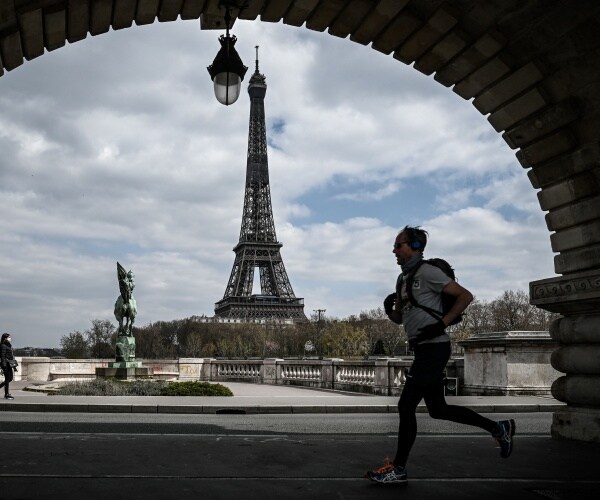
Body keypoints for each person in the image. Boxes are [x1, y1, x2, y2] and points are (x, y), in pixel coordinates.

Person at [365, 226, 515, 485]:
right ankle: (498, 428)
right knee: (438, 409)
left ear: (415, 246)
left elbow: (465, 296)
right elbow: (401, 319)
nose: (394, 250)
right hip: (424, 348)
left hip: (435, 347)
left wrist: (442, 323)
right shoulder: (402, 280)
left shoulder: (429, 272)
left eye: (398, 245)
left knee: (405, 405)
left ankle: (399, 469)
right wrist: (389, 310)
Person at [0, 332, 17, 400]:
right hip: (6, 364)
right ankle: (6, 394)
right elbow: (2, 356)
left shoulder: (8, 345)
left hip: (9, 364)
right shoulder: (3, 346)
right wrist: (3, 365)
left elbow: (11, 356)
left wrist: (14, 366)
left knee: (10, 378)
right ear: (5, 338)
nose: (10, 338)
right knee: (7, 379)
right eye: (9, 337)